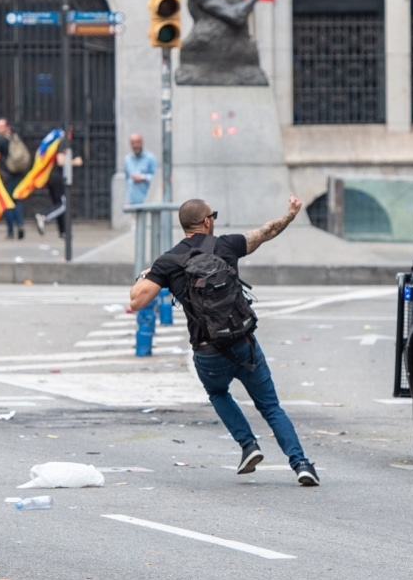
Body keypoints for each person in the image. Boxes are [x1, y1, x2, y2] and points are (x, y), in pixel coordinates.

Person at [129, 195, 319, 486]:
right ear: (206, 221)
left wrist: (145, 274)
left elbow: (137, 301)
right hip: (244, 344)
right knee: (270, 406)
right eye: (212, 216)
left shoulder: (167, 261)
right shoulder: (226, 245)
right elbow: (266, 232)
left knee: (218, 394)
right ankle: (301, 464)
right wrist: (290, 215)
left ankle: (248, 446)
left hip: (207, 352)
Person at [0, 118, 26, 239]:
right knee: (17, 200)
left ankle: (11, 230)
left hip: (5, 175)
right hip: (17, 173)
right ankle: (20, 224)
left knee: (6, 202)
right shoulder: (15, 138)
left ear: (7, 127)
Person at [123, 132, 157, 205]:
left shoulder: (150, 158)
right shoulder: (127, 160)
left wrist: (142, 177)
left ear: (142, 143)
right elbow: (127, 180)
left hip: (147, 201)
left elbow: (156, 179)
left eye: (137, 142)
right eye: (133, 143)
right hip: (132, 202)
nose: (135, 145)